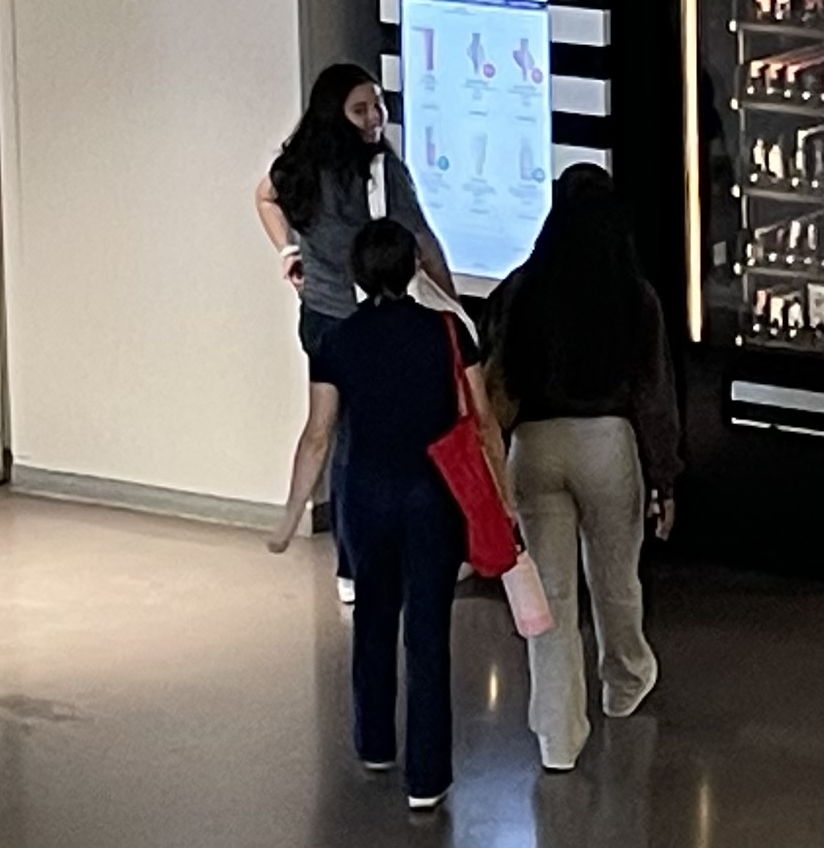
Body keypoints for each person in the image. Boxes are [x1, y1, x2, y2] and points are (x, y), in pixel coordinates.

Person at [269, 221, 496, 811]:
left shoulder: (337, 342)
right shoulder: (448, 332)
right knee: (427, 633)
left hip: (365, 497)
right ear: (412, 267)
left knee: (372, 618)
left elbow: (319, 436)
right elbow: (485, 421)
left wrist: (292, 514)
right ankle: (427, 779)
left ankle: (374, 744)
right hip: (432, 499)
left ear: (357, 274)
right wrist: (506, 494)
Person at [486, 165, 684, 772]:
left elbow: (497, 375)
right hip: (609, 442)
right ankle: (626, 679)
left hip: (535, 446)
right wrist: (664, 478)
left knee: (549, 597)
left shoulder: (524, 286)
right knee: (615, 577)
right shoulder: (633, 294)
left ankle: (557, 735)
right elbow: (654, 393)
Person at [255, 63, 459, 600]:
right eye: (361, 108)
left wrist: (288, 252)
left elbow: (264, 196)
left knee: (339, 434)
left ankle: (352, 562)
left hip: (320, 317)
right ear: (336, 113)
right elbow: (422, 241)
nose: (375, 118)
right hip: (361, 319)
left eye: (377, 105)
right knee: (365, 437)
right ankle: (366, 557)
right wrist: (455, 305)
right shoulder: (380, 170)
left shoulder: (299, 165)